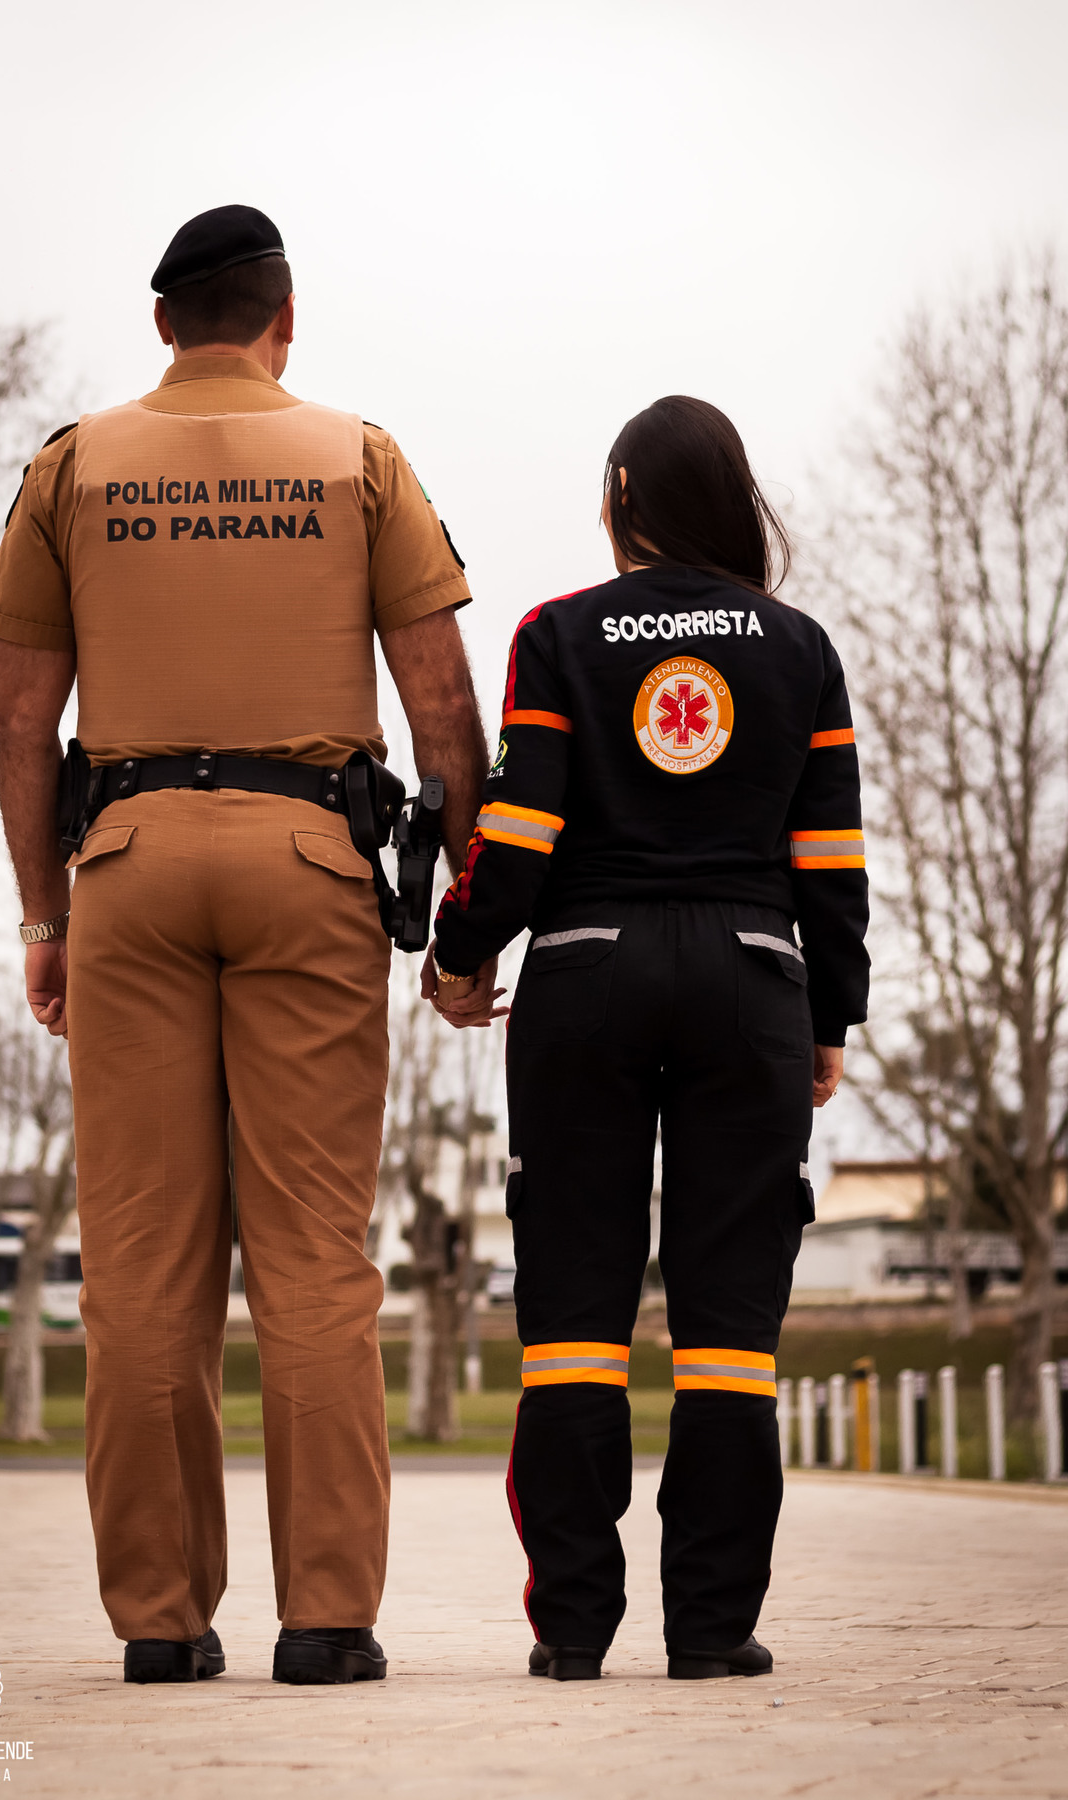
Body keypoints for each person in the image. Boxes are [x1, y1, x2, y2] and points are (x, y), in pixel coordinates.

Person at [0, 204, 488, 1686]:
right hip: (311, 865)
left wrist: (45, 914)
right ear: (283, 320)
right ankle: (327, 1619)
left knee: (143, 1264)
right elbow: (444, 711)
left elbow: (21, 722)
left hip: (129, 868)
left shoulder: (76, 466)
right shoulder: (362, 458)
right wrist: (460, 918)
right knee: (317, 1259)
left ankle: (160, 1621)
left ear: (162, 328)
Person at [425, 396, 869, 1682]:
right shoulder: (800, 649)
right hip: (750, 982)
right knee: (730, 1332)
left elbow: (517, 840)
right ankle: (714, 1629)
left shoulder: (559, 636)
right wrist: (827, 1015)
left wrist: (462, 959)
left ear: (621, 497)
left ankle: (572, 1629)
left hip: (585, 981)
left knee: (573, 1320)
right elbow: (829, 861)